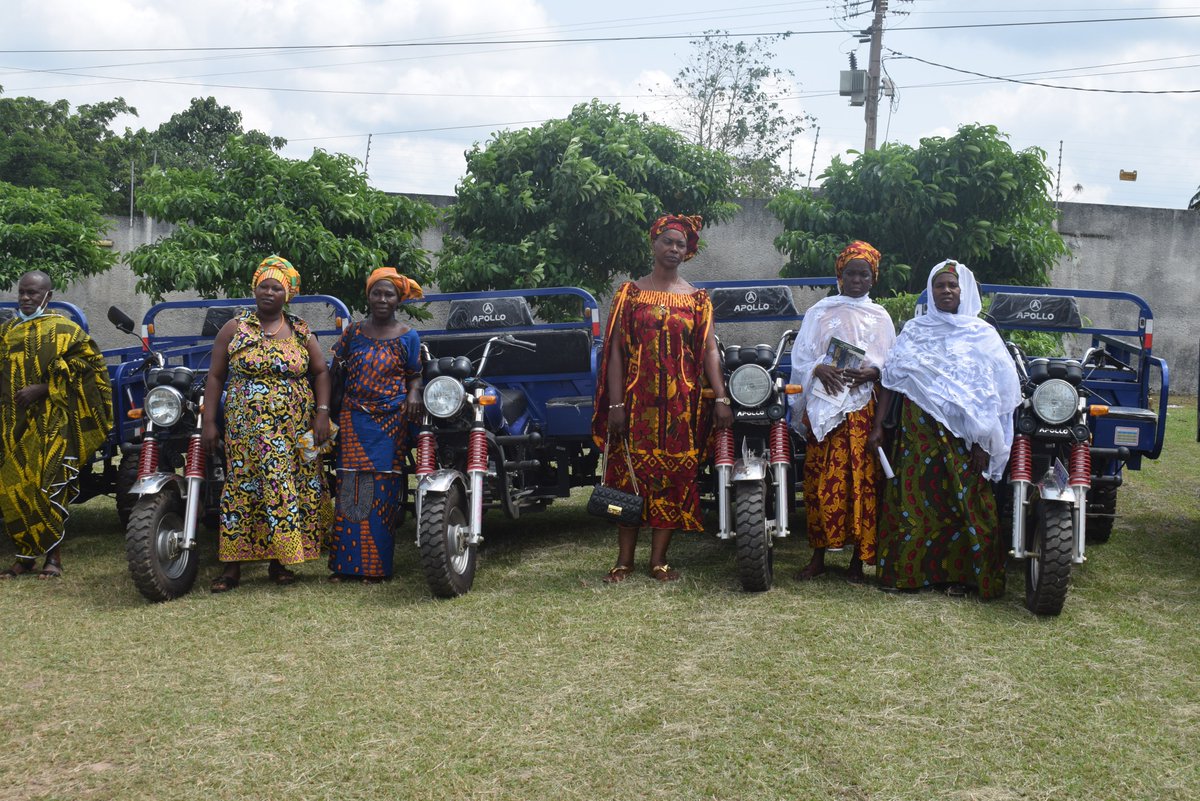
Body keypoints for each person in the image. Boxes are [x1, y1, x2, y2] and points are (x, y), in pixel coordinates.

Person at [592, 214, 733, 583]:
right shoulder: (630, 294)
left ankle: (659, 561)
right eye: (667, 242)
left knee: (673, 478)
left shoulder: (698, 300)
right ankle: (624, 561)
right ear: (654, 244)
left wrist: (720, 396)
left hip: (680, 405)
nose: (673, 249)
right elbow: (616, 352)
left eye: (680, 244)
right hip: (636, 404)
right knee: (630, 478)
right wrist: (616, 406)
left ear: (688, 252)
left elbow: (708, 352)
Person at [868, 260, 1022, 598]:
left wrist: (984, 442)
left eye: (953, 285)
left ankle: (964, 579)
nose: (947, 291)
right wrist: (878, 425)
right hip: (917, 434)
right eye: (940, 286)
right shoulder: (914, 329)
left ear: (964, 291)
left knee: (964, 502)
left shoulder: (982, 335)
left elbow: (996, 394)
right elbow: (892, 379)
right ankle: (909, 575)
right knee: (914, 502)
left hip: (964, 438)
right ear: (931, 290)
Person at [201, 256, 332, 592]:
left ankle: (280, 562)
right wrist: (209, 422)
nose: (269, 292)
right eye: (264, 286)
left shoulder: (301, 330)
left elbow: (320, 372)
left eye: (277, 288)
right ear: (255, 289)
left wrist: (321, 412)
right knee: (242, 490)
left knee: (287, 489)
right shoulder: (235, 328)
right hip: (246, 430)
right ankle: (232, 568)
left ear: (287, 295)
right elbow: (216, 377)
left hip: (293, 429)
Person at [790, 241, 896, 582]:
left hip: (862, 409)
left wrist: (873, 372)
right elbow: (803, 358)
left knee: (862, 483)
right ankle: (818, 555)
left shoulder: (880, 317)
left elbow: (891, 366)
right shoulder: (820, 312)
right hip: (825, 407)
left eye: (863, 274)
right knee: (820, 481)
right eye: (850, 273)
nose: (856, 280)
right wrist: (817, 370)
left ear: (873, 278)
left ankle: (856, 562)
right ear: (840, 275)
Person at [0, 271, 112, 579]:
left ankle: (54, 557)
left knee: (50, 487)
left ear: (48, 296)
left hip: (52, 424)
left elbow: (90, 369)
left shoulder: (65, 331)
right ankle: (24, 559)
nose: (26, 297)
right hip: (13, 426)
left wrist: (45, 389)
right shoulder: (6, 332)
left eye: (33, 293)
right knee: (16, 490)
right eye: (22, 292)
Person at [326, 267, 424, 583]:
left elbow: (415, 374)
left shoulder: (408, 336)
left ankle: (375, 568)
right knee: (350, 490)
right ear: (368, 296)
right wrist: (323, 410)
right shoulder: (352, 333)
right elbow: (332, 373)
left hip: (391, 422)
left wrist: (413, 394)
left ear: (398, 300)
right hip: (354, 419)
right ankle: (344, 567)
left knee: (382, 492)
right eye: (376, 293)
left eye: (389, 294)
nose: (382, 299)